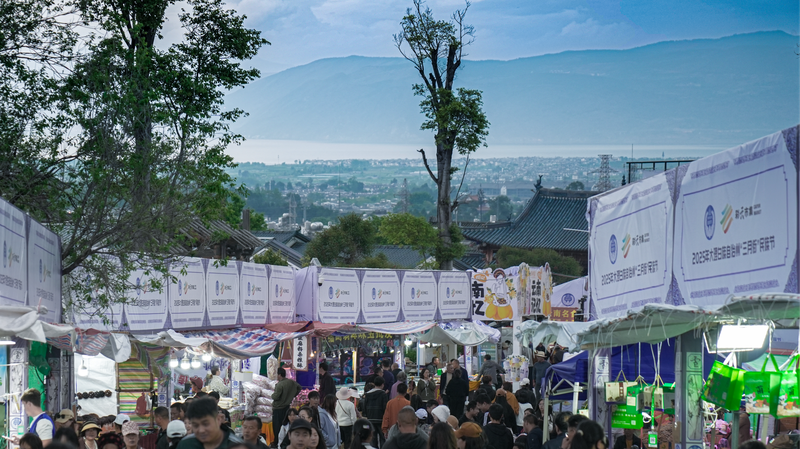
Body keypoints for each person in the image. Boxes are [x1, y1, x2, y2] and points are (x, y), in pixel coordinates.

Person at [177, 397, 243, 449]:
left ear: (219, 419)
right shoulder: (186, 444)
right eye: (196, 425)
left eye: (205, 424)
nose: (201, 430)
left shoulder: (237, 446)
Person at [272, 368, 302, 448]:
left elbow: (276, 396)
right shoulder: (291, 382)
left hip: (278, 409)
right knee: (286, 425)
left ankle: (277, 443)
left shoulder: (280, 384)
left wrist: (272, 395)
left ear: (279, 375)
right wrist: (293, 395)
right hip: (287, 407)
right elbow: (299, 387)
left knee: (277, 427)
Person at [363, 378, 388, 448]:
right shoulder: (383, 394)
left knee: (373, 438)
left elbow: (364, 407)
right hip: (381, 419)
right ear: (382, 385)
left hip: (370, 419)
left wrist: (367, 416)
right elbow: (385, 408)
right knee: (382, 438)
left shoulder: (367, 394)